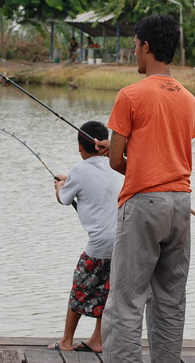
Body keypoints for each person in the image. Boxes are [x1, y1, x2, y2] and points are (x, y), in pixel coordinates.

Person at [97, 14, 195, 363]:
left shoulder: (130, 95)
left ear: (147, 46)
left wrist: (126, 159)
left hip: (143, 205)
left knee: (126, 301)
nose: (134, 52)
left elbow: (116, 162)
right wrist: (125, 152)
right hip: (180, 205)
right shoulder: (189, 99)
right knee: (170, 300)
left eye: (135, 45)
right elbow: (166, 146)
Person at [50, 121, 122, 353]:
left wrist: (61, 186)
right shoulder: (117, 165)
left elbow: (64, 199)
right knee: (106, 290)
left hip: (99, 244)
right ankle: (97, 341)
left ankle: (66, 342)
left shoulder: (79, 170)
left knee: (79, 287)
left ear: (81, 146)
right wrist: (69, 181)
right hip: (122, 242)